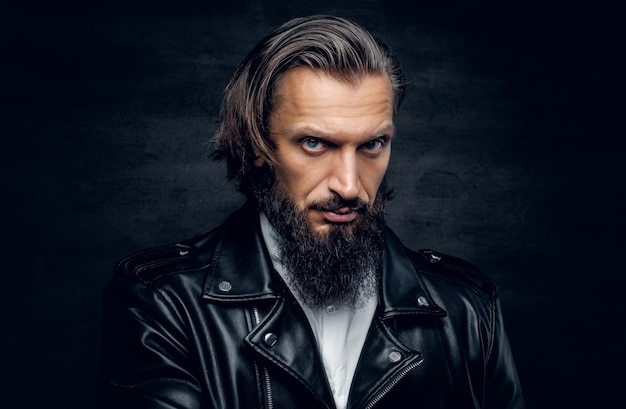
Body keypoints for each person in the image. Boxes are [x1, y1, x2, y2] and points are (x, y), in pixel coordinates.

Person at [97, 15, 524, 409]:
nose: (350, 185)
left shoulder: (467, 307)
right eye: (316, 144)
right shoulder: (164, 302)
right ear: (256, 145)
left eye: (372, 144)